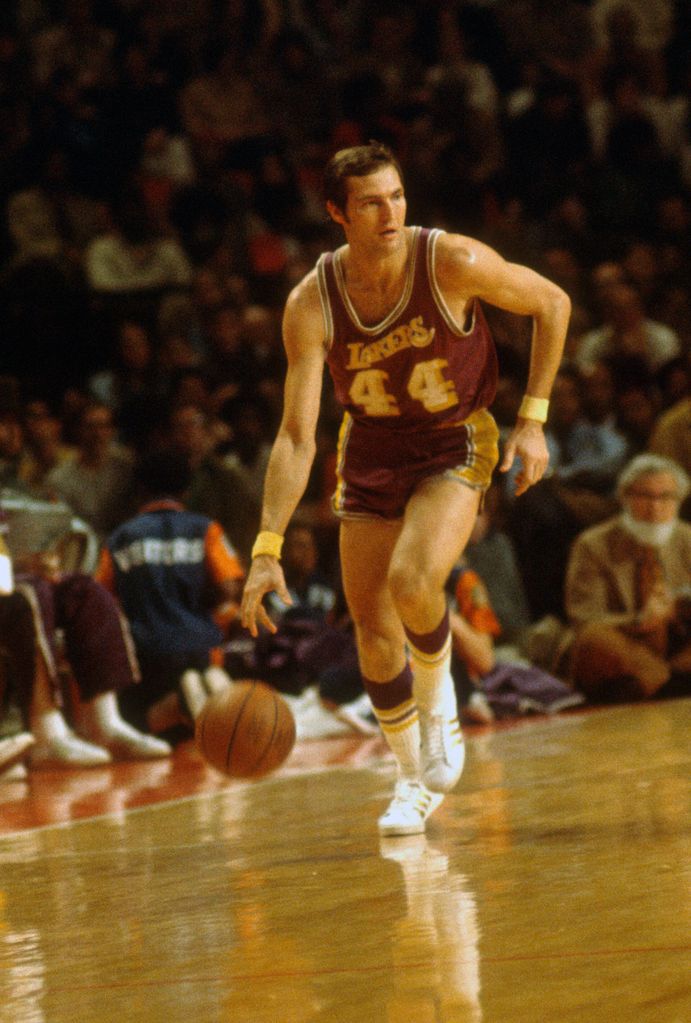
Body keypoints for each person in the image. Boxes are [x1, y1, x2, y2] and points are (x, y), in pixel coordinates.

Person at [241, 142, 570, 836]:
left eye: (395, 196)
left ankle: (440, 699)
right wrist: (266, 545)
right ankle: (411, 779)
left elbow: (552, 302)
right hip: (370, 447)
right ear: (337, 213)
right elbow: (296, 435)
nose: (389, 212)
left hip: (455, 435)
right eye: (369, 202)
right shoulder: (312, 301)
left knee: (414, 579)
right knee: (371, 632)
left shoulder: (449, 260)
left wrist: (533, 420)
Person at [95, 448, 245, 742]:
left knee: (136, 723)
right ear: (186, 489)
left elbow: (101, 598)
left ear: (140, 489)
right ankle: (205, 687)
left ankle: (179, 704)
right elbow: (230, 587)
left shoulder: (121, 538)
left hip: (148, 652)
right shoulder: (205, 529)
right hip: (201, 646)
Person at [565, 453, 691, 702]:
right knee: (593, 638)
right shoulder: (593, 544)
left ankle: (666, 679)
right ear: (624, 497)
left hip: (678, 646)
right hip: (624, 644)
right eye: (644, 496)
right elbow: (585, 617)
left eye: (665, 497)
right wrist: (641, 619)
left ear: (679, 501)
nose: (655, 507)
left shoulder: (687, 539)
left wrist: (676, 609)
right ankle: (666, 682)